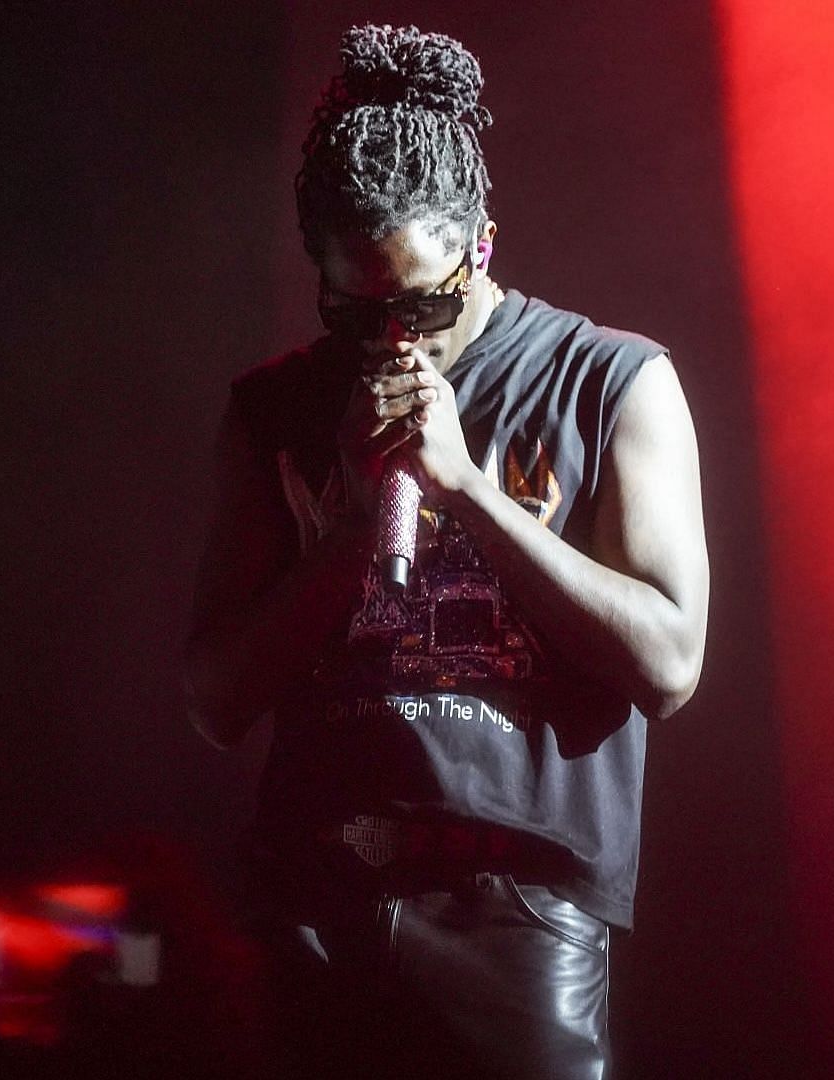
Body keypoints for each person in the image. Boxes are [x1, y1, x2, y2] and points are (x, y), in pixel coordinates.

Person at [183, 23, 708, 1079]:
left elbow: (670, 663)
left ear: (480, 245)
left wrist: (467, 492)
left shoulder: (608, 381)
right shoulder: (277, 407)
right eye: (353, 307)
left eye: (421, 301)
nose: (392, 337)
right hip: (311, 904)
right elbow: (215, 699)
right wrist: (343, 537)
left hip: (512, 916)